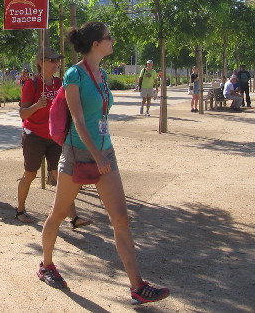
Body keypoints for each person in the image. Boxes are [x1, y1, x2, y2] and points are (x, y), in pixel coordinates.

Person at [38, 22, 170, 305]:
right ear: (96, 43)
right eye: (109, 38)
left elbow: (100, 116)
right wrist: (96, 156)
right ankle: (46, 265)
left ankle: (137, 286)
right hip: (78, 154)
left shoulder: (103, 74)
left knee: (121, 218)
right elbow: (78, 119)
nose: (113, 41)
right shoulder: (74, 75)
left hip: (105, 152)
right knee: (59, 213)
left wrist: (103, 153)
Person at [16, 47, 92, 229]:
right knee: (30, 174)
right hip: (34, 136)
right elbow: (23, 114)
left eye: (57, 60)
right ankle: (20, 210)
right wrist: (37, 105)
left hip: (55, 137)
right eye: (51, 60)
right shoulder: (31, 84)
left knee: (62, 176)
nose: (56, 64)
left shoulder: (59, 82)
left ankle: (73, 217)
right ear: (41, 62)